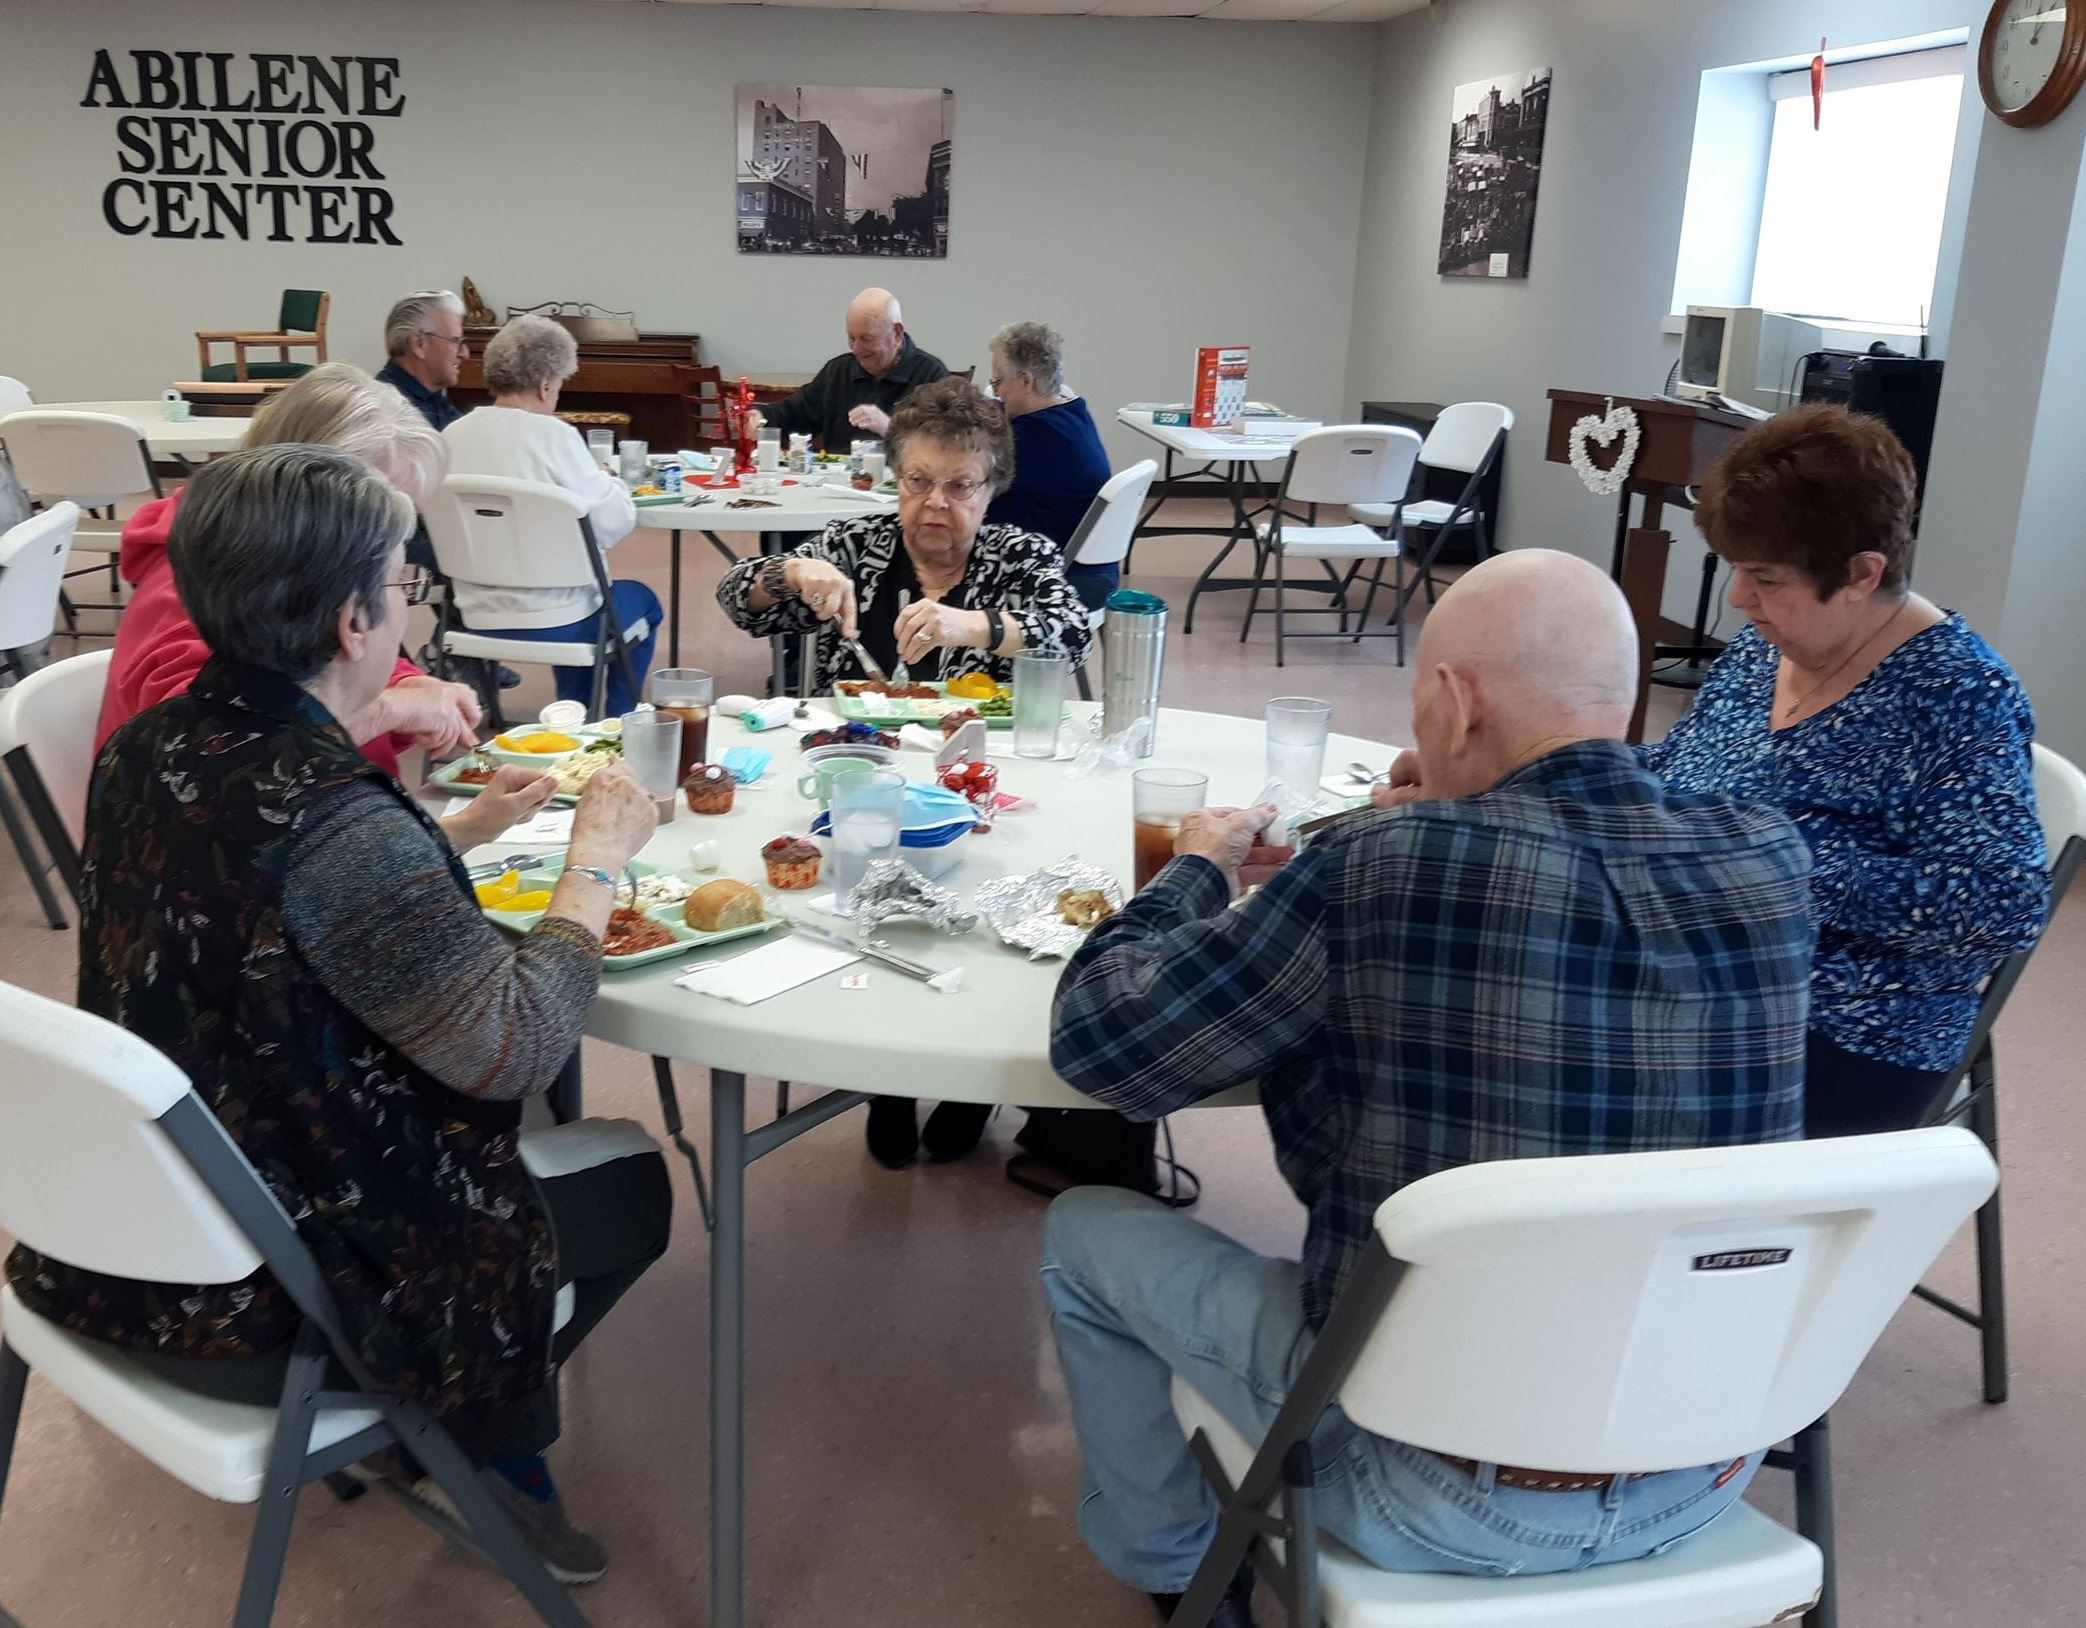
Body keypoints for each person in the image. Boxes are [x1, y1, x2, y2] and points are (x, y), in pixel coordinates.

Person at [1042, 550, 1816, 1625]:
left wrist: (1201, 862)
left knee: (1083, 1232)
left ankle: (1178, 1565)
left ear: (1454, 700)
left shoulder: (1379, 866)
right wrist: (1418, 822)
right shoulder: (1767, 855)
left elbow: (1102, 1044)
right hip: (1706, 1463)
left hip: (1438, 1489)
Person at [6, 445, 670, 1584]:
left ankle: (453, 1434)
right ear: (354, 622)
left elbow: (262, 914)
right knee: (633, 1185)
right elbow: (516, 1046)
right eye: (402, 583)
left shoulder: (147, 748)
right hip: (271, 1301)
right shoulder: (341, 825)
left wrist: (448, 838)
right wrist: (594, 862)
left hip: (108, 1236)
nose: (409, 600)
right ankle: (483, 1453)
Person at [1634, 405, 2048, 1137]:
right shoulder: (1766, 649)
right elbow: (1678, 770)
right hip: (1710, 980)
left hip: (1850, 1028)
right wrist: (1532, 769)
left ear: (1861, 574)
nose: (1738, 599)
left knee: (1555, 1084)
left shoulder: (1957, 693)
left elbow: (2000, 905)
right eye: (1737, 571)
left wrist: (1773, 858)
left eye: (1764, 577)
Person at [719, 376, 1091, 1167]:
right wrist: (789, 575)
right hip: (856, 793)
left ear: (992, 488)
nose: (935, 504)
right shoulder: (855, 545)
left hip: (984, 799)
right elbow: (737, 601)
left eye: (960, 486)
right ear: (896, 479)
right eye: (918, 481)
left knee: (992, 920)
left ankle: (965, 1084)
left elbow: (1069, 632)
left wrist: (977, 623)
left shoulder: (1018, 553)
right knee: (865, 899)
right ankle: (885, 1081)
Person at [89, 365, 526, 844]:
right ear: (303, 491)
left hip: (329, 823)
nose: (390, 543)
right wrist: (391, 709)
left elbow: (322, 669)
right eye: (376, 513)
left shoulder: (287, 569)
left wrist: (413, 683)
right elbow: (216, 757)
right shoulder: (189, 586)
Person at [441, 314, 659, 718]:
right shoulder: (556, 436)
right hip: (560, 618)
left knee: (580, 592)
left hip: (472, 615)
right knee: (642, 601)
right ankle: (614, 723)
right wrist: (609, 482)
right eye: (560, 384)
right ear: (545, 384)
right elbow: (612, 524)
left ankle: (572, 714)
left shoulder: (452, 435)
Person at [984, 321, 1115, 608]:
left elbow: (972, 484)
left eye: (998, 383)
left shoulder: (1034, 437)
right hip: (1089, 563)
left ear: (1027, 381)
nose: (997, 394)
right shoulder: (1071, 410)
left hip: (1063, 575)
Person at [757, 286, 947, 451]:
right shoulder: (838, 371)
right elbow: (795, 414)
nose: (855, 348)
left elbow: (944, 445)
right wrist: (760, 418)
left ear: (896, 333)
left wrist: (888, 428)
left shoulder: (930, 375)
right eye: (851, 337)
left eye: (866, 339)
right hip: (835, 483)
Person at [375, 288, 469, 431]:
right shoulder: (390, 412)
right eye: (456, 341)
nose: (464, 353)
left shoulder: (434, 400)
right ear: (419, 344)